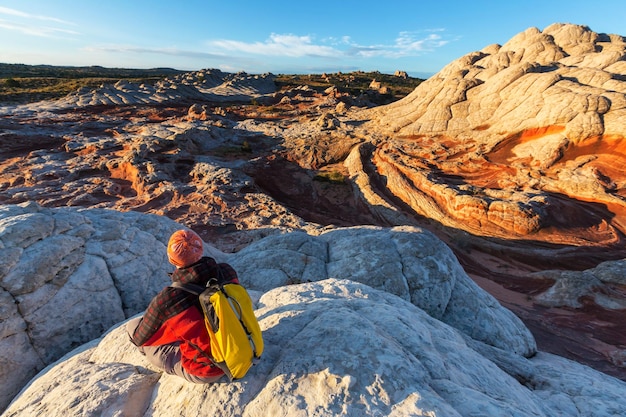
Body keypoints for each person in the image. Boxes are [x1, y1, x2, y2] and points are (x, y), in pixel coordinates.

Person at [126, 229, 239, 383]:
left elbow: (140, 338)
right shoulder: (227, 271)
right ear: (201, 249)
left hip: (210, 369)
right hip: (240, 348)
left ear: (171, 260)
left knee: (132, 328)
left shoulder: (169, 299)